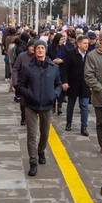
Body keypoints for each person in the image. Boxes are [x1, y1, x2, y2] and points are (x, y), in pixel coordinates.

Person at [15, 39, 63, 177]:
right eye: (38, 48)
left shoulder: (54, 68)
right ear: (34, 51)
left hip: (47, 105)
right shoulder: (27, 67)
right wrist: (29, 94)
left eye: (42, 48)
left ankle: (41, 151)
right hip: (31, 105)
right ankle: (33, 162)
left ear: (45, 50)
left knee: (45, 133)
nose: (40, 50)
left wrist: (54, 94)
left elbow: (58, 84)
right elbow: (19, 85)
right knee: (32, 135)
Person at [60, 34, 92, 136]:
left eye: (87, 43)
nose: (87, 45)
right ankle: (69, 122)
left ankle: (84, 127)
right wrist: (65, 82)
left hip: (85, 84)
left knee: (84, 106)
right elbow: (65, 69)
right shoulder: (70, 53)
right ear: (78, 44)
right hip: (73, 83)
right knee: (71, 104)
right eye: (84, 43)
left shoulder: (90, 55)